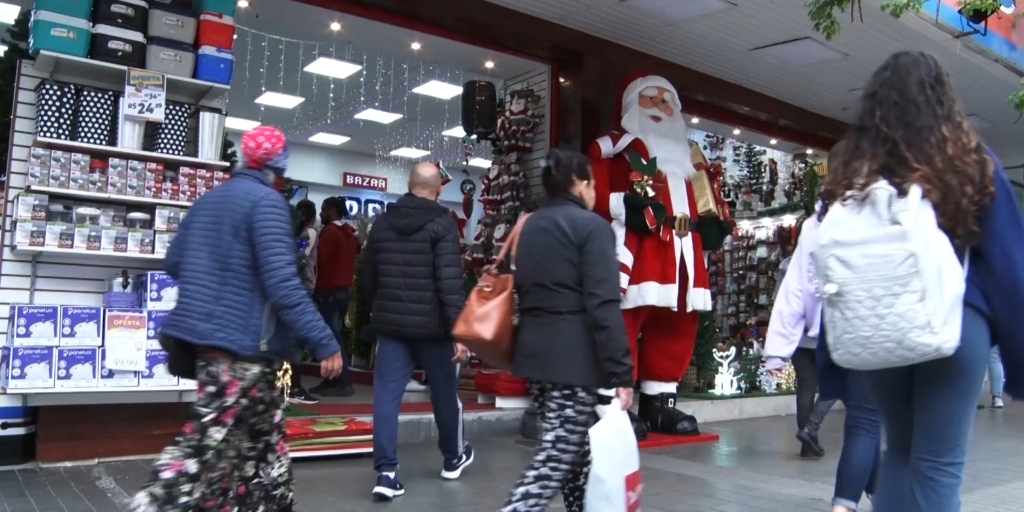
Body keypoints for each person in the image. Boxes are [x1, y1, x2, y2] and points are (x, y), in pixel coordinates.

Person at [821, 51, 1024, 512]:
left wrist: (834, 363)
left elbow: (830, 259)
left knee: (900, 454)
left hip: (881, 330)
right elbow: (1010, 265)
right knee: (938, 465)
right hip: (957, 325)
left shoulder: (857, 171)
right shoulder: (970, 160)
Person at [130, 126, 343, 512]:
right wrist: (325, 341)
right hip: (244, 351)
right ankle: (151, 504)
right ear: (278, 170)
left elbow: (175, 262)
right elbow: (283, 285)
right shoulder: (267, 205)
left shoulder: (210, 200)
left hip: (222, 349)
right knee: (205, 442)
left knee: (263, 447)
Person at [501, 149, 635, 512]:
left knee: (576, 452)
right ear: (579, 183)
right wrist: (622, 372)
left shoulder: (530, 226)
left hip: (534, 357)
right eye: (591, 180)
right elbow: (603, 304)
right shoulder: (593, 228)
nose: (594, 190)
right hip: (571, 363)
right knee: (553, 461)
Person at [361, 162, 472, 501]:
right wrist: (459, 333)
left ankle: (387, 472)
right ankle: (452, 458)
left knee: (386, 397)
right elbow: (449, 285)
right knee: (443, 394)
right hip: (433, 329)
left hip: (391, 328)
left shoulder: (381, 223)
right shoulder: (442, 224)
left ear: (409, 185)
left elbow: (367, 279)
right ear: (439, 189)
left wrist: (374, 315)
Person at [765, 214, 836, 458]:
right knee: (836, 383)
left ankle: (807, 440)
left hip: (797, 336)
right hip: (825, 334)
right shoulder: (830, 259)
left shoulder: (788, 266)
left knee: (806, 385)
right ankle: (810, 428)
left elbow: (780, 301)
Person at [308, 196, 358, 398]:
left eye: (323, 210)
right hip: (343, 292)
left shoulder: (330, 232)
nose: (321, 214)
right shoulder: (350, 234)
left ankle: (343, 382)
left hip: (328, 291)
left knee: (331, 340)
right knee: (335, 337)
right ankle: (331, 379)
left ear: (332, 210)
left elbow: (319, 258)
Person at [288, 198, 321, 405]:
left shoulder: (303, 234)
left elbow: (297, 257)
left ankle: (293, 385)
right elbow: (298, 258)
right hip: (301, 288)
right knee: (296, 339)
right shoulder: (305, 234)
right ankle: (294, 387)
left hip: (299, 287)